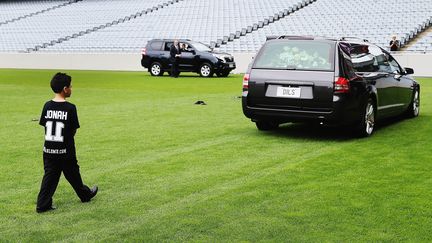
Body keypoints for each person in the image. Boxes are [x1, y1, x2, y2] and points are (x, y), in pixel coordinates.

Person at [36, 72, 97, 213]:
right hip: (65, 150)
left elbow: (45, 126)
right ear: (65, 89)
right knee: (73, 173)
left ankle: (42, 204)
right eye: (70, 86)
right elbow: (73, 129)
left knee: (50, 177)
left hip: (49, 150)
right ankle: (85, 195)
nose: (71, 89)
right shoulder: (70, 108)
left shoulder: (47, 106)